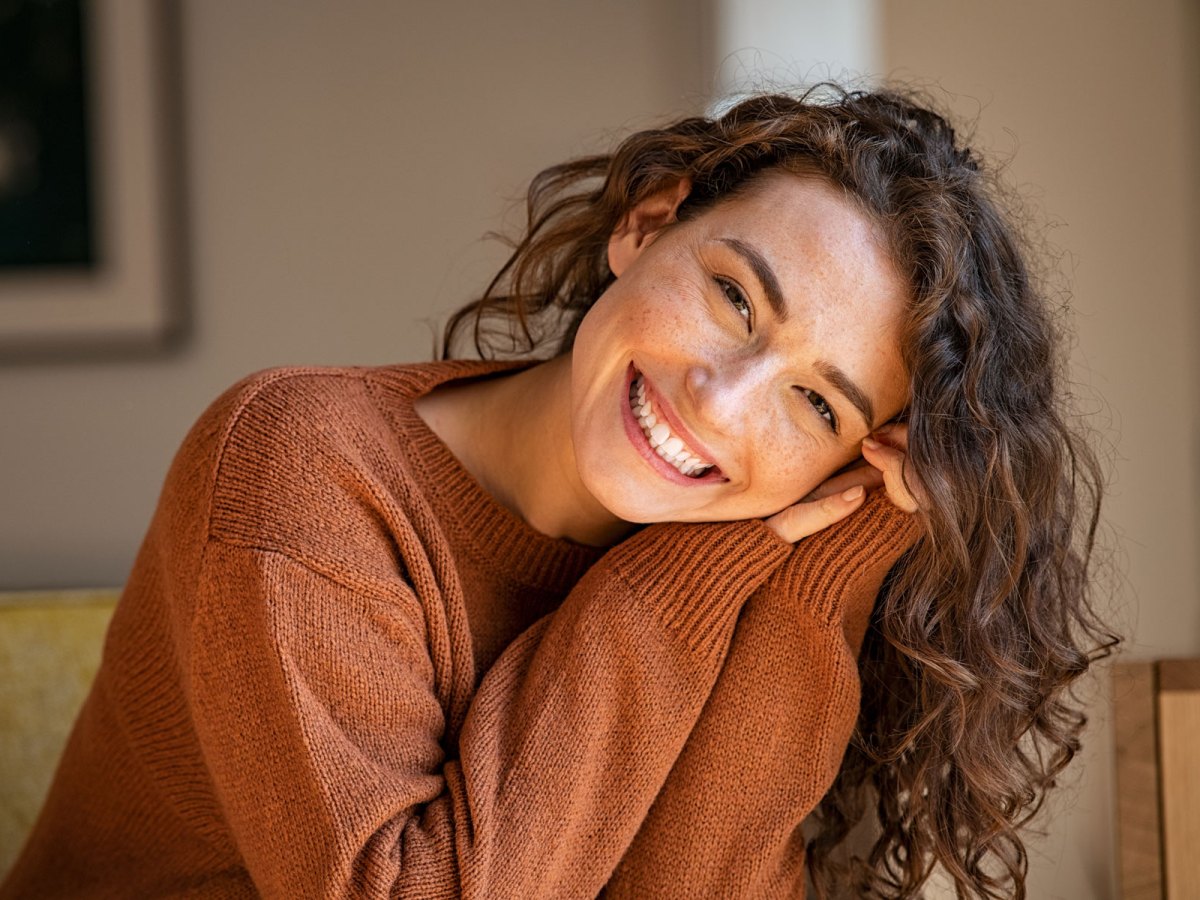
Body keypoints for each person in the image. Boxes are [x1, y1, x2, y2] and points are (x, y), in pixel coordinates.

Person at [1, 85, 1115, 899]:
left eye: (818, 407)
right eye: (734, 297)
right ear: (646, 225)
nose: (721, 404)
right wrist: (690, 569)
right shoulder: (299, 465)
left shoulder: (751, 553)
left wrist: (821, 568)